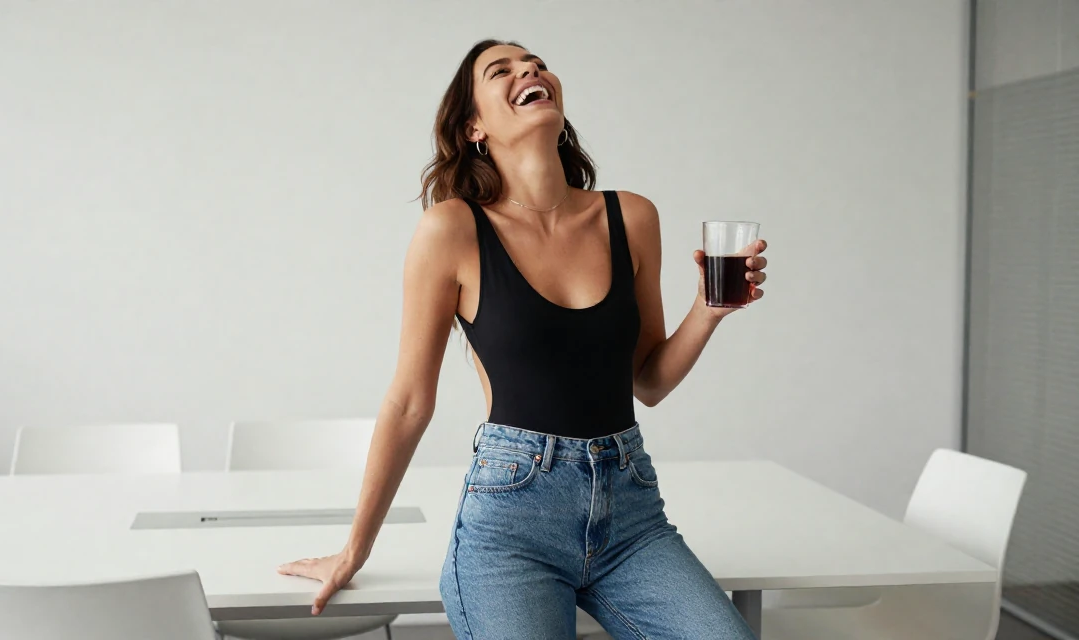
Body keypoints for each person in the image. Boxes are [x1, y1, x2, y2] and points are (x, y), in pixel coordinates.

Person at [278, 39, 768, 639]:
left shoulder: (631, 217)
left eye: (534, 63)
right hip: (512, 525)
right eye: (501, 71)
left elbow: (649, 380)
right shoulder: (451, 231)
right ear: (473, 126)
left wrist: (710, 309)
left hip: (631, 516)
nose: (530, 70)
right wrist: (355, 548)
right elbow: (409, 401)